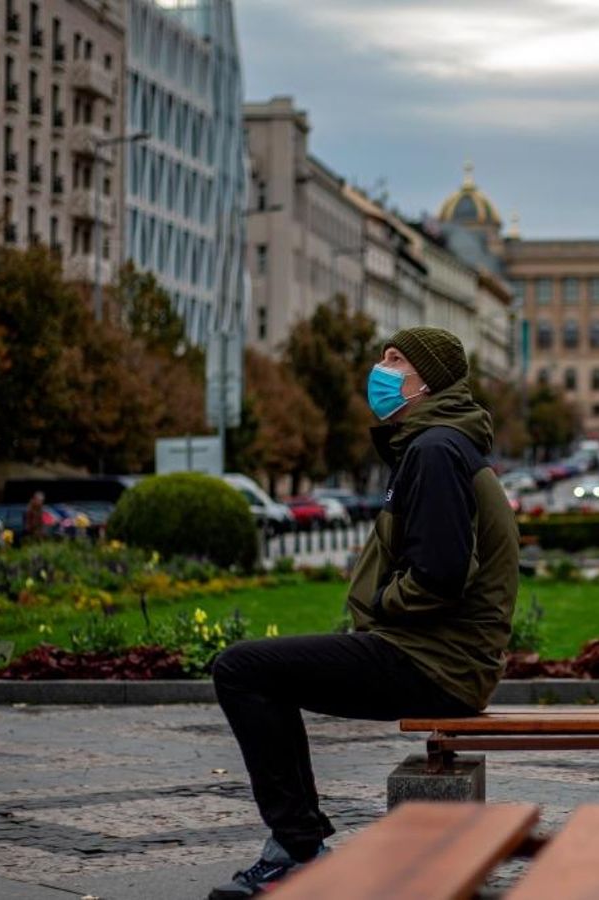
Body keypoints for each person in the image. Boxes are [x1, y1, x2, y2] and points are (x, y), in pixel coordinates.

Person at [206, 328, 519, 899]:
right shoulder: (440, 445)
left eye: (396, 360)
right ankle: (295, 845)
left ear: (428, 381)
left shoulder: (435, 450)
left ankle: (297, 851)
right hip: (441, 659)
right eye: (382, 356)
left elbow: (441, 574)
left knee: (242, 670)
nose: (381, 369)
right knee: (263, 672)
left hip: (433, 664)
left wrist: (379, 603)